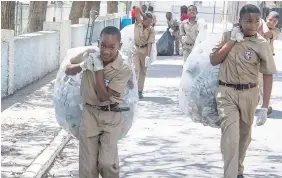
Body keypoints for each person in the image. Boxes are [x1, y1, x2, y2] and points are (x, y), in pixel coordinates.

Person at [210, 4, 276, 178]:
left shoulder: (262, 44)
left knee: (244, 137)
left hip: (250, 93)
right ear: (240, 20)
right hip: (226, 92)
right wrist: (232, 41)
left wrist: (265, 106)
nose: (253, 25)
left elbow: (268, 74)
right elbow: (214, 60)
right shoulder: (227, 36)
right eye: (248, 21)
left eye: (256, 21)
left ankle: (238, 169)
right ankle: (230, 175)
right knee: (231, 137)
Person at [65, 26, 132, 178]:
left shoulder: (123, 69)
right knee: (88, 168)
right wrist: (82, 66)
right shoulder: (90, 55)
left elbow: (103, 96)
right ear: (98, 43)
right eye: (102, 45)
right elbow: (67, 69)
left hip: (111, 116)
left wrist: (98, 69)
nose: (106, 51)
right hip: (90, 114)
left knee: (107, 164)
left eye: (112, 47)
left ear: (119, 46)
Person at [133, 7, 155, 99]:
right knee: (136, 69)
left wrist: (148, 56)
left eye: (151, 22)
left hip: (145, 50)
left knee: (143, 71)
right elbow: (137, 8)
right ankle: (133, 89)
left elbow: (150, 43)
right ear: (144, 20)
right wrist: (144, 15)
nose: (150, 23)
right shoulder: (138, 23)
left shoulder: (151, 29)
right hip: (136, 49)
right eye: (148, 21)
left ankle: (139, 91)